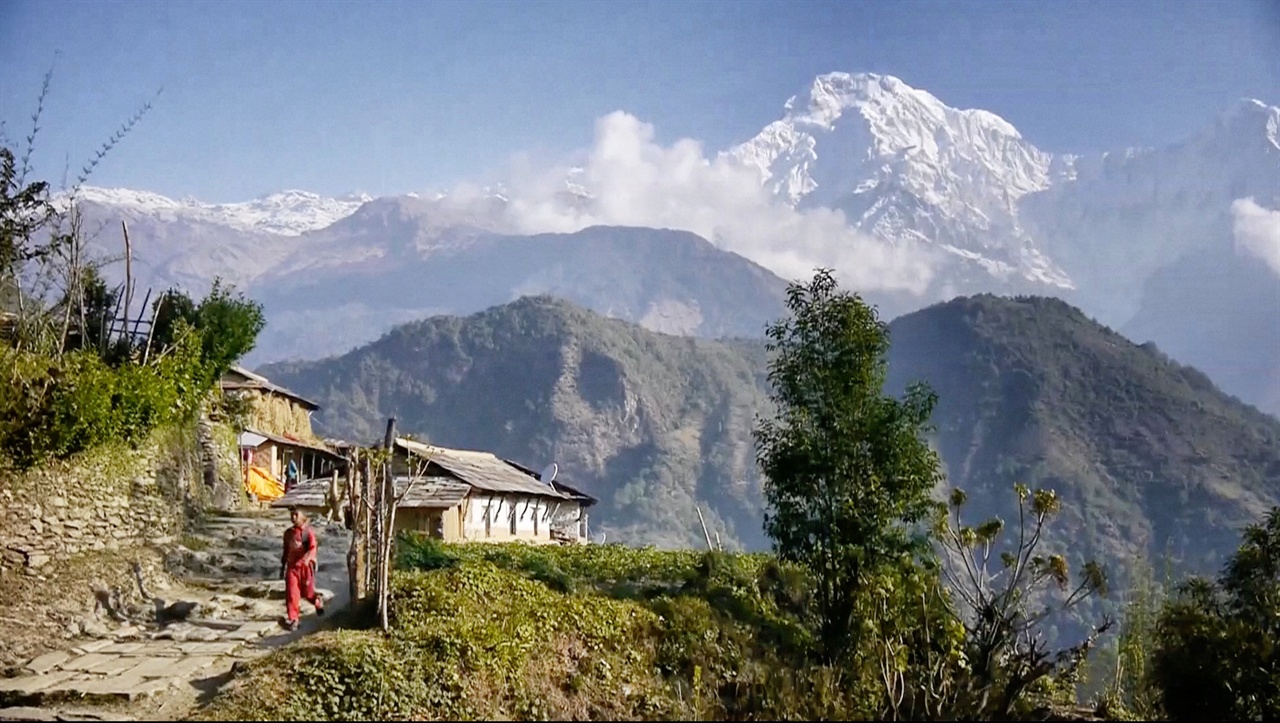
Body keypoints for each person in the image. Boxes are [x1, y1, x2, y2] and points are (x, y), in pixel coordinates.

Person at [280, 507, 324, 630]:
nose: (293, 517)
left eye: (296, 515)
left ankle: (317, 600)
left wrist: (306, 559)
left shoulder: (307, 533)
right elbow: (286, 550)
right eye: (291, 515)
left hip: (305, 568)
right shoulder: (288, 534)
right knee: (292, 593)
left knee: (308, 593)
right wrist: (283, 565)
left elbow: (313, 548)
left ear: (303, 517)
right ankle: (293, 619)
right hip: (292, 568)